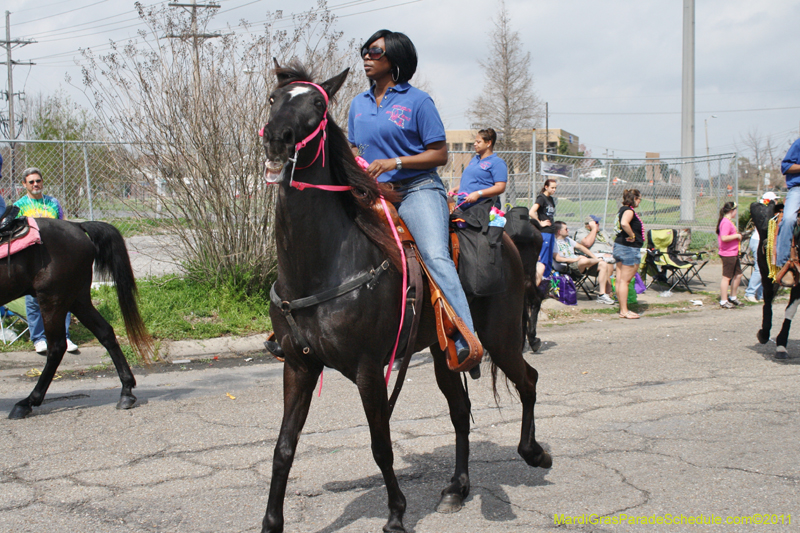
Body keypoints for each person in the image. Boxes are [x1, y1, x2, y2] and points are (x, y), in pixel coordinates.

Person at [348, 29, 480, 375]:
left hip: (416, 189)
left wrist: (395, 162)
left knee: (435, 255)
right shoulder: (358, 104)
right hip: (374, 193)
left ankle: (465, 337)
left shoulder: (418, 102)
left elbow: (440, 154)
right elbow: (353, 149)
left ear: (395, 58)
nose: (367, 56)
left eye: (375, 51)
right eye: (364, 50)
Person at [14, 167, 78, 354]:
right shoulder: (19, 206)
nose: (36, 184)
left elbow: (64, 224)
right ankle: (39, 338)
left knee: (62, 296)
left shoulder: (53, 203)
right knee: (34, 299)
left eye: (38, 181)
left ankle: (63, 337)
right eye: (31, 182)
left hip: (55, 258)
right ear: (24, 184)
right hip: (32, 260)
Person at [552, 221, 615, 304]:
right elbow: (558, 258)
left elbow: (581, 247)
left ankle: (602, 294)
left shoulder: (568, 240)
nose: (568, 230)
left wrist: (594, 257)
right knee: (583, 260)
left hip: (581, 265)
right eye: (566, 229)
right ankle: (600, 259)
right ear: (559, 231)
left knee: (603, 264)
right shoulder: (554, 242)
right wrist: (576, 259)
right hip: (568, 267)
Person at [450, 128, 507, 209]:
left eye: (478, 142)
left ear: (489, 143)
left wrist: (479, 194)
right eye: (475, 141)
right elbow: (471, 183)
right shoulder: (475, 160)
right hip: (463, 208)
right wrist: (456, 189)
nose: (475, 144)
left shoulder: (497, 162)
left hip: (481, 209)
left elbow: (500, 187)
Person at [613, 189, 644, 319]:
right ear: (634, 198)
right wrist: (632, 235)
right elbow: (624, 223)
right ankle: (624, 311)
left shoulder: (622, 209)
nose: (640, 202)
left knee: (620, 280)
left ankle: (622, 309)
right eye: (639, 199)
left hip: (620, 246)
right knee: (625, 281)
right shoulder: (629, 211)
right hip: (628, 248)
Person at [745, 191, 778, 302]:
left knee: (766, 269)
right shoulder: (764, 210)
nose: (777, 202)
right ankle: (749, 293)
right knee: (759, 268)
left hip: (765, 241)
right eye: (775, 200)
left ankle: (761, 294)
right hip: (758, 240)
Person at [574, 215, 616, 298]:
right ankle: (609, 292)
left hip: (610, 255)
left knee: (627, 260)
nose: (598, 224)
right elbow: (587, 243)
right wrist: (593, 229)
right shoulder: (582, 232)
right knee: (608, 261)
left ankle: (628, 291)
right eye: (596, 223)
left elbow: (612, 245)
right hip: (593, 257)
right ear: (589, 224)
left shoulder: (603, 232)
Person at [775, 138, 800, 270]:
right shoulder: (799, 143)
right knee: (789, 218)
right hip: (798, 189)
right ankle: (784, 263)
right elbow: (786, 166)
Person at [717, 201, 743, 308]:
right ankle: (723, 301)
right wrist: (737, 236)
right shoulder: (726, 222)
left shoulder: (729, 221)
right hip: (728, 254)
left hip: (734, 252)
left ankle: (733, 297)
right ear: (732, 211)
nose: (736, 213)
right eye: (736, 210)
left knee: (738, 275)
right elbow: (724, 237)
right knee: (726, 277)